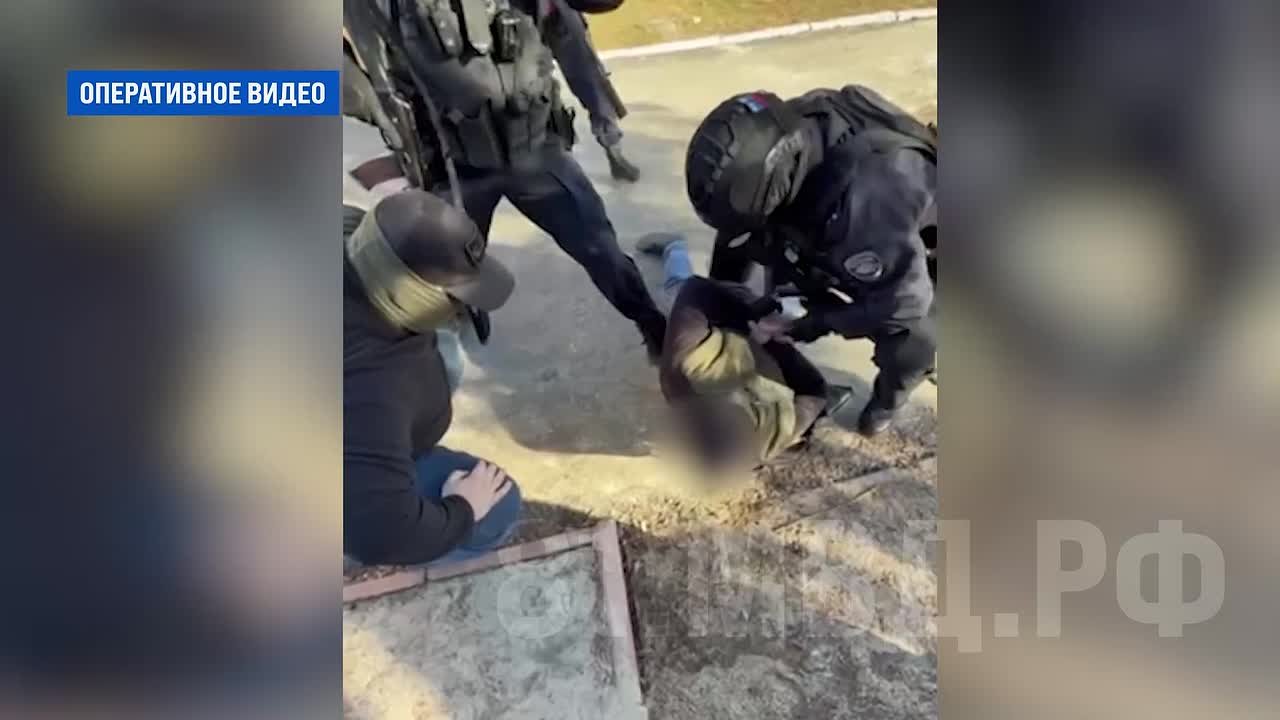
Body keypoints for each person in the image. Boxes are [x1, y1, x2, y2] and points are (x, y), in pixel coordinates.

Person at [342, 0, 667, 360]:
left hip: (537, 155)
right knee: (438, 271)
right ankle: (443, 340)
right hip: (454, 163)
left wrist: (603, 119)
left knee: (603, 252)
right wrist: (365, 104)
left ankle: (654, 326)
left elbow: (573, 45)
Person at [684, 86, 938, 436]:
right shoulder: (784, 133)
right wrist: (727, 312)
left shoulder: (870, 205)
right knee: (773, 270)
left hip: (925, 249)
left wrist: (815, 322)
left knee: (913, 343)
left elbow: (905, 305)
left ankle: (887, 401)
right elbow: (739, 236)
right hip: (845, 221)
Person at [344, 189, 522, 566]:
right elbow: (385, 535)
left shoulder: (344, 231)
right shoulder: (373, 390)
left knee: (445, 346)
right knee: (500, 505)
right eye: (453, 296)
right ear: (405, 290)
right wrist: (463, 507)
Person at [636, 232, 852, 470]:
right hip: (737, 343)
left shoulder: (682, 369)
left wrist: (753, 318)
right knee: (749, 303)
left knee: (678, 286)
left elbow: (696, 290)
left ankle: (674, 248)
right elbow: (816, 390)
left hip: (708, 335)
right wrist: (763, 330)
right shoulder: (776, 432)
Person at [543, 0, 641, 182]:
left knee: (593, 83)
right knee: (535, 93)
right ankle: (558, 162)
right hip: (519, 20)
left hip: (560, 12)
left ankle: (614, 151)